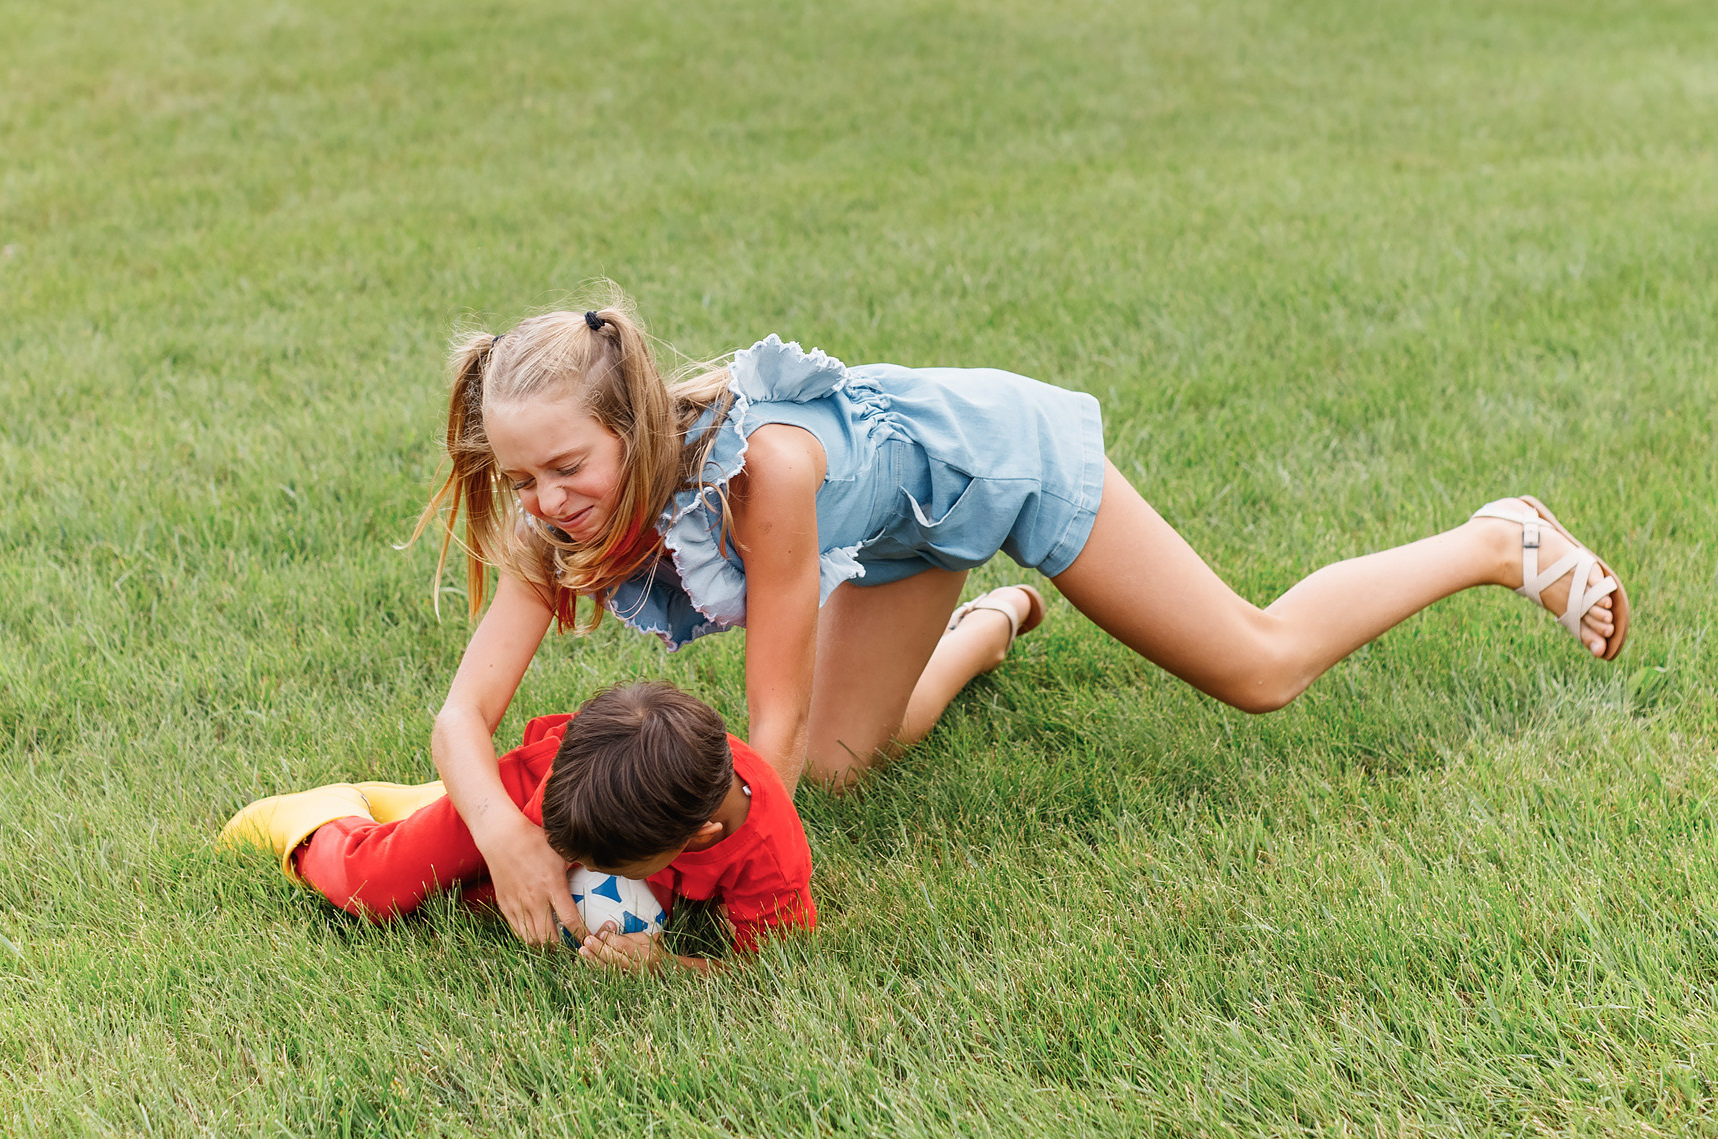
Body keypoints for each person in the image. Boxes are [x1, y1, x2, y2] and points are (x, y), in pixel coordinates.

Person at [422, 296, 1631, 948]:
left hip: (991, 460)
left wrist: (697, 865)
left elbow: (769, 722)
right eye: (520, 478)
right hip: (892, 529)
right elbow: (461, 720)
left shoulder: (762, 475)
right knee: (849, 768)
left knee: (1259, 667)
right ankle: (994, 621)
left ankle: (1493, 539)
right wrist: (508, 836)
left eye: (566, 467)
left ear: (627, 426)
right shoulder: (559, 524)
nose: (544, 502)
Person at [221, 680, 813, 972]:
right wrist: (516, 832)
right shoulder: (598, 771)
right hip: (523, 796)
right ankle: (315, 817)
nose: (585, 870)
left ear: (698, 837)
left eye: (605, 868)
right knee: (380, 887)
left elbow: (764, 969)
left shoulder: (771, 857)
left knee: (469, 902)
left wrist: (667, 967)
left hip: (605, 815)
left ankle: (420, 808)